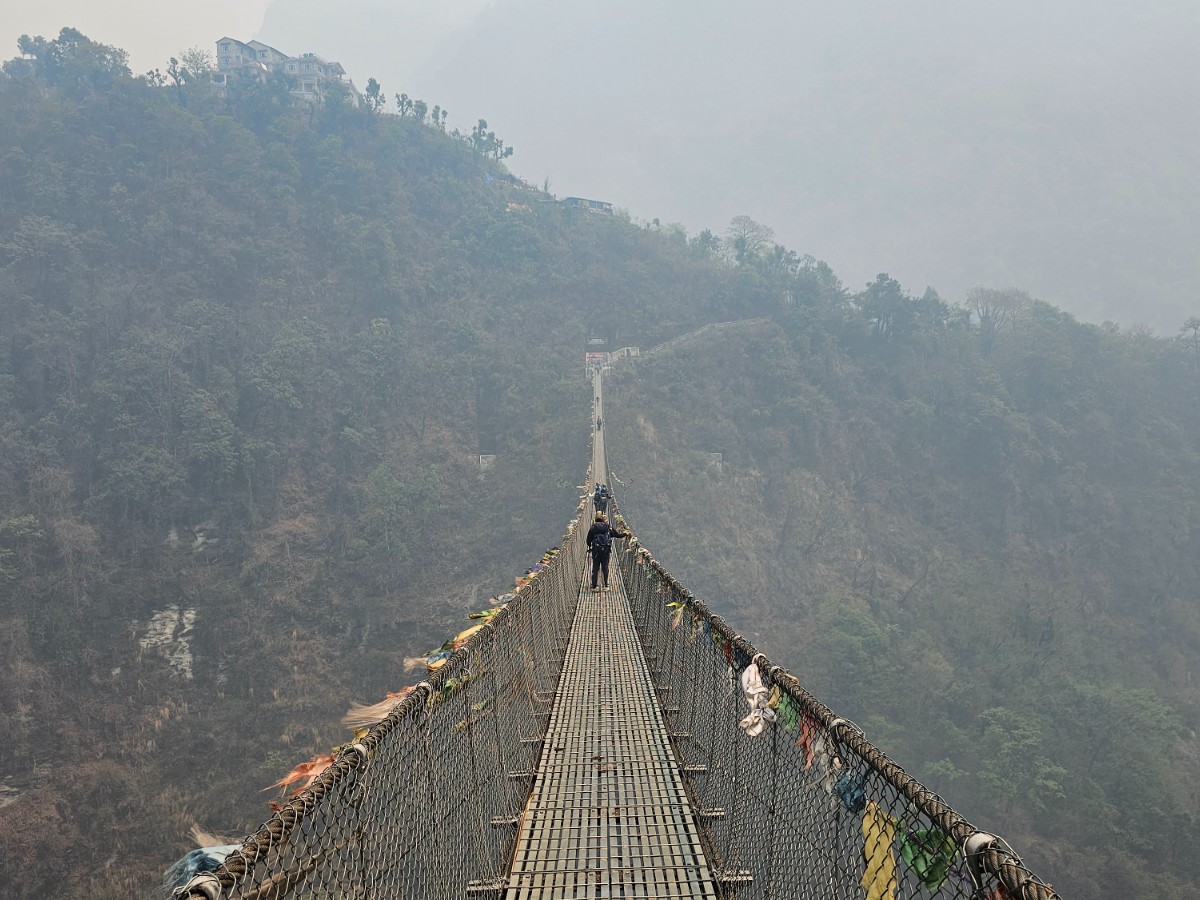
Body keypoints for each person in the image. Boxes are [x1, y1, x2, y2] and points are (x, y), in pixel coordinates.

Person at [585, 512, 628, 591]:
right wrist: (625, 534)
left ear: (595, 519)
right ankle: (606, 585)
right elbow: (617, 535)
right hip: (606, 550)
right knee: (605, 567)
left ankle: (595, 586)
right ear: (602, 519)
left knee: (595, 567)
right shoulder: (607, 527)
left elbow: (588, 540)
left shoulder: (593, 527)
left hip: (596, 551)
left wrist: (590, 547)